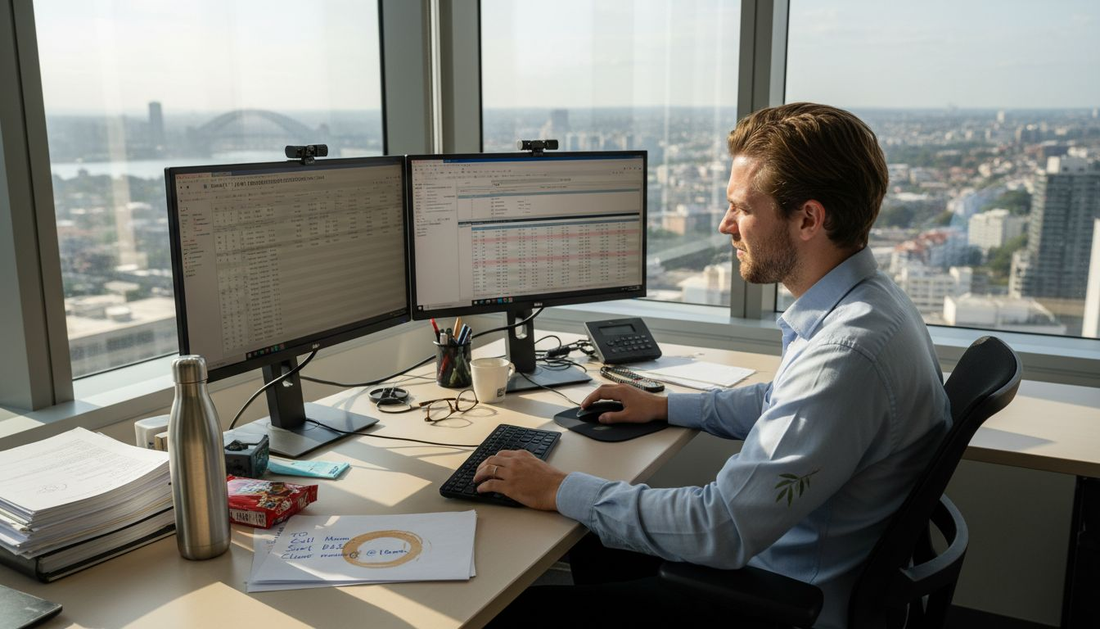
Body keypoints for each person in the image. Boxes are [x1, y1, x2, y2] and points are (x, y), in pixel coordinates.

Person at [475, 103, 951, 629]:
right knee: (586, 539)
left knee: (507, 610)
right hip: (785, 569)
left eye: (741, 208)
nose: (726, 225)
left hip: (775, 601)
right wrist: (666, 406)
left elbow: (719, 528)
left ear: (808, 219)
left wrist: (557, 487)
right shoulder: (874, 304)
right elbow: (781, 401)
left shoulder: (845, 356)